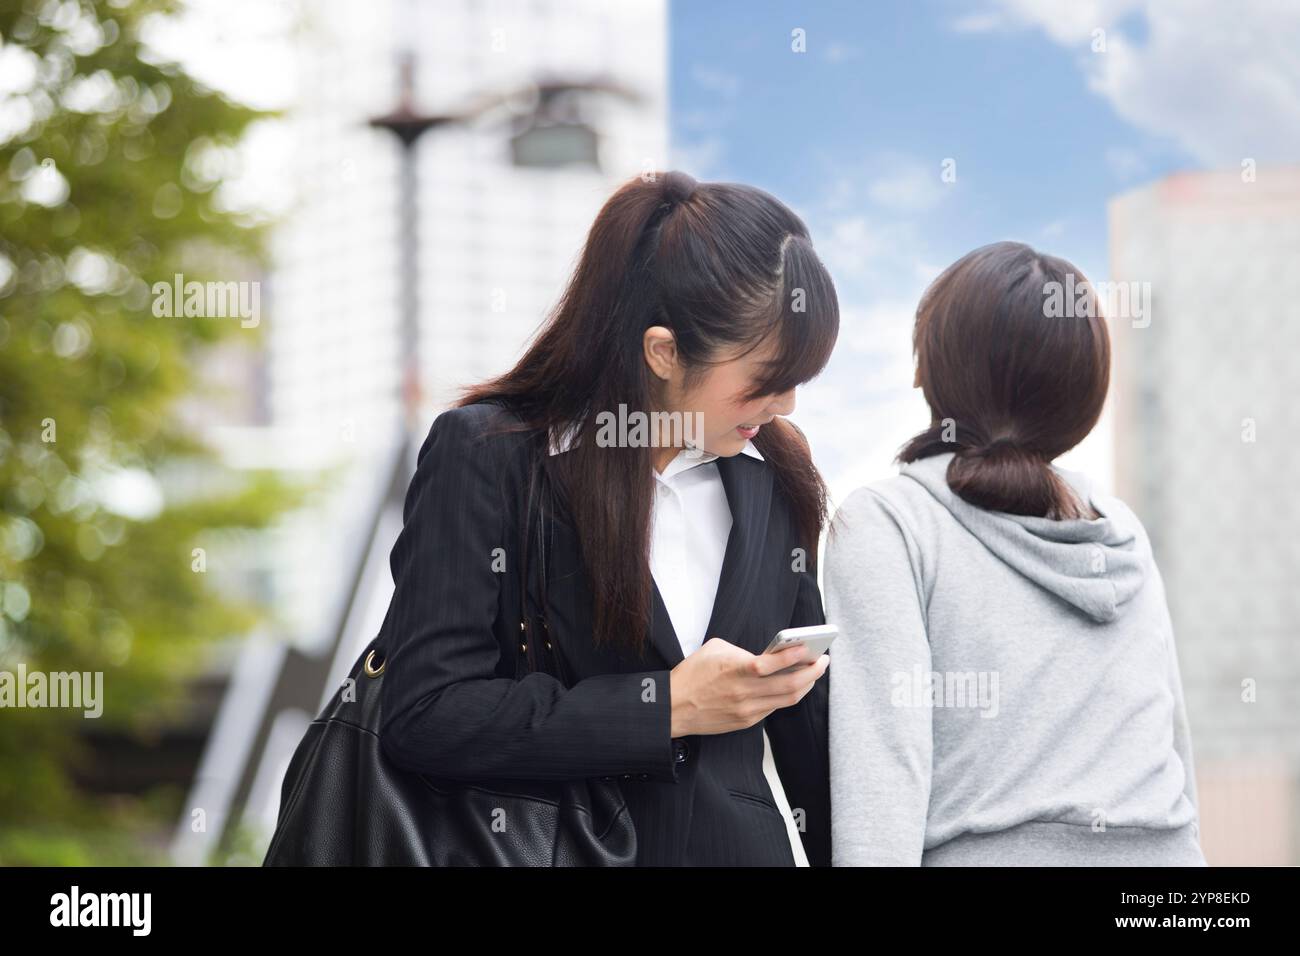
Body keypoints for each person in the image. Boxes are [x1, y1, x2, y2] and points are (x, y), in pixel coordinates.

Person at [377, 170, 840, 865]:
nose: (787, 406)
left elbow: (811, 744)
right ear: (663, 351)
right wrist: (667, 707)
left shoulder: (776, 473)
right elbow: (426, 713)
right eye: (766, 380)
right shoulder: (489, 457)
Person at [825, 240, 1206, 866]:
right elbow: (1175, 753)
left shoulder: (889, 523)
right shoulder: (1119, 529)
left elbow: (885, 772)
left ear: (933, 367)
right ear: (1082, 392)